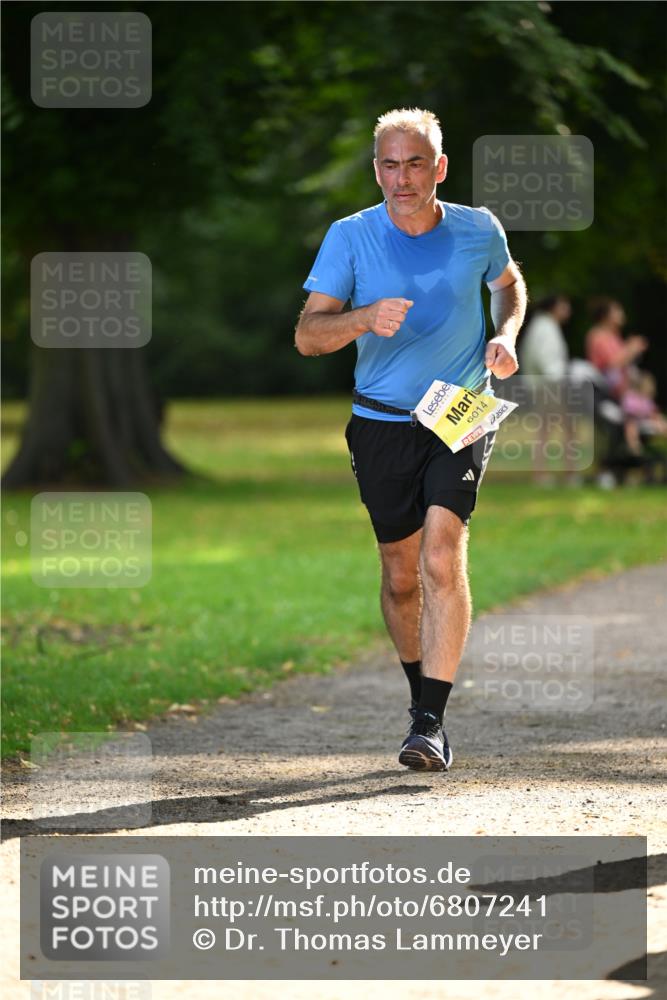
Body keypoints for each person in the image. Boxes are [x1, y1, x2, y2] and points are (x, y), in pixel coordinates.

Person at [294, 108, 527, 772]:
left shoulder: (477, 229)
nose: (401, 178)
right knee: (400, 577)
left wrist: (504, 337)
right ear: (376, 170)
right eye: (389, 165)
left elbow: (509, 290)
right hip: (380, 424)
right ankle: (417, 702)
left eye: (414, 163)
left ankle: (429, 723)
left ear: (439, 168)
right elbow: (309, 336)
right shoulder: (350, 237)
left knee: (439, 557)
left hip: (459, 412)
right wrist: (363, 317)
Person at [519, 294, 576, 485]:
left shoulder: (543, 325)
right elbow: (544, 360)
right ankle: (561, 474)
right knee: (562, 429)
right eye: (564, 305)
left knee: (548, 429)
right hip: (549, 386)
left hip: (545, 385)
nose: (567, 310)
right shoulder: (545, 327)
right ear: (554, 307)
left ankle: (546, 473)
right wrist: (559, 380)